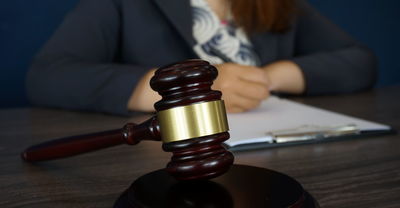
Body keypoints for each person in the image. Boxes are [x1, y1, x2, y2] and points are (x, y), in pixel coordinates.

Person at [26, 0, 377, 115]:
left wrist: (269, 77)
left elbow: (361, 61)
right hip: (161, 168)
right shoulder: (122, 4)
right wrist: (183, 88)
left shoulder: (278, 5)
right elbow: (47, 76)